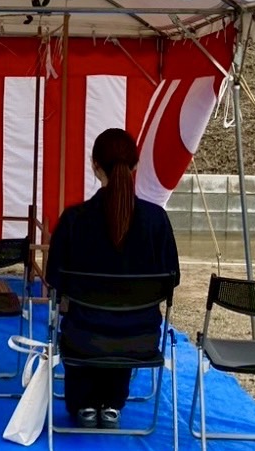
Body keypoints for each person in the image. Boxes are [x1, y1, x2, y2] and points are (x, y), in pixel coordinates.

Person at [45, 127, 179, 430]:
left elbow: (54, 280)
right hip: (140, 340)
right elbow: (171, 280)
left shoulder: (73, 220)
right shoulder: (156, 220)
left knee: (87, 321)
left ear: (95, 166)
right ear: (135, 166)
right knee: (122, 319)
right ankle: (111, 405)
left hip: (82, 338)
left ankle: (84, 405)